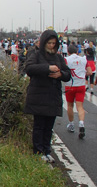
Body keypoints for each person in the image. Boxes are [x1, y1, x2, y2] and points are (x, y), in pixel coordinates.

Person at [24, 30, 71, 163]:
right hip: (38, 97)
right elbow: (30, 68)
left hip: (53, 97)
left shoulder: (59, 58)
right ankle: (38, 151)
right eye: (49, 43)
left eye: (54, 43)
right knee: (39, 126)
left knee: (49, 127)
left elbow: (68, 74)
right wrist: (48, 68)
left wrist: (60, 74)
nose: (51, 46)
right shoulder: (36, 55)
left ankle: (46, 150)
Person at [65, 44, 91, 139]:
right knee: (80, 106)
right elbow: (90, 72)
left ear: (68, 52)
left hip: (70, 85)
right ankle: (81, 123)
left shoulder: (66, 60)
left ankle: (71, 124)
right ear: (77, 51)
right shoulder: (84, 59)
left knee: (70, 105)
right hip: (81, 85)